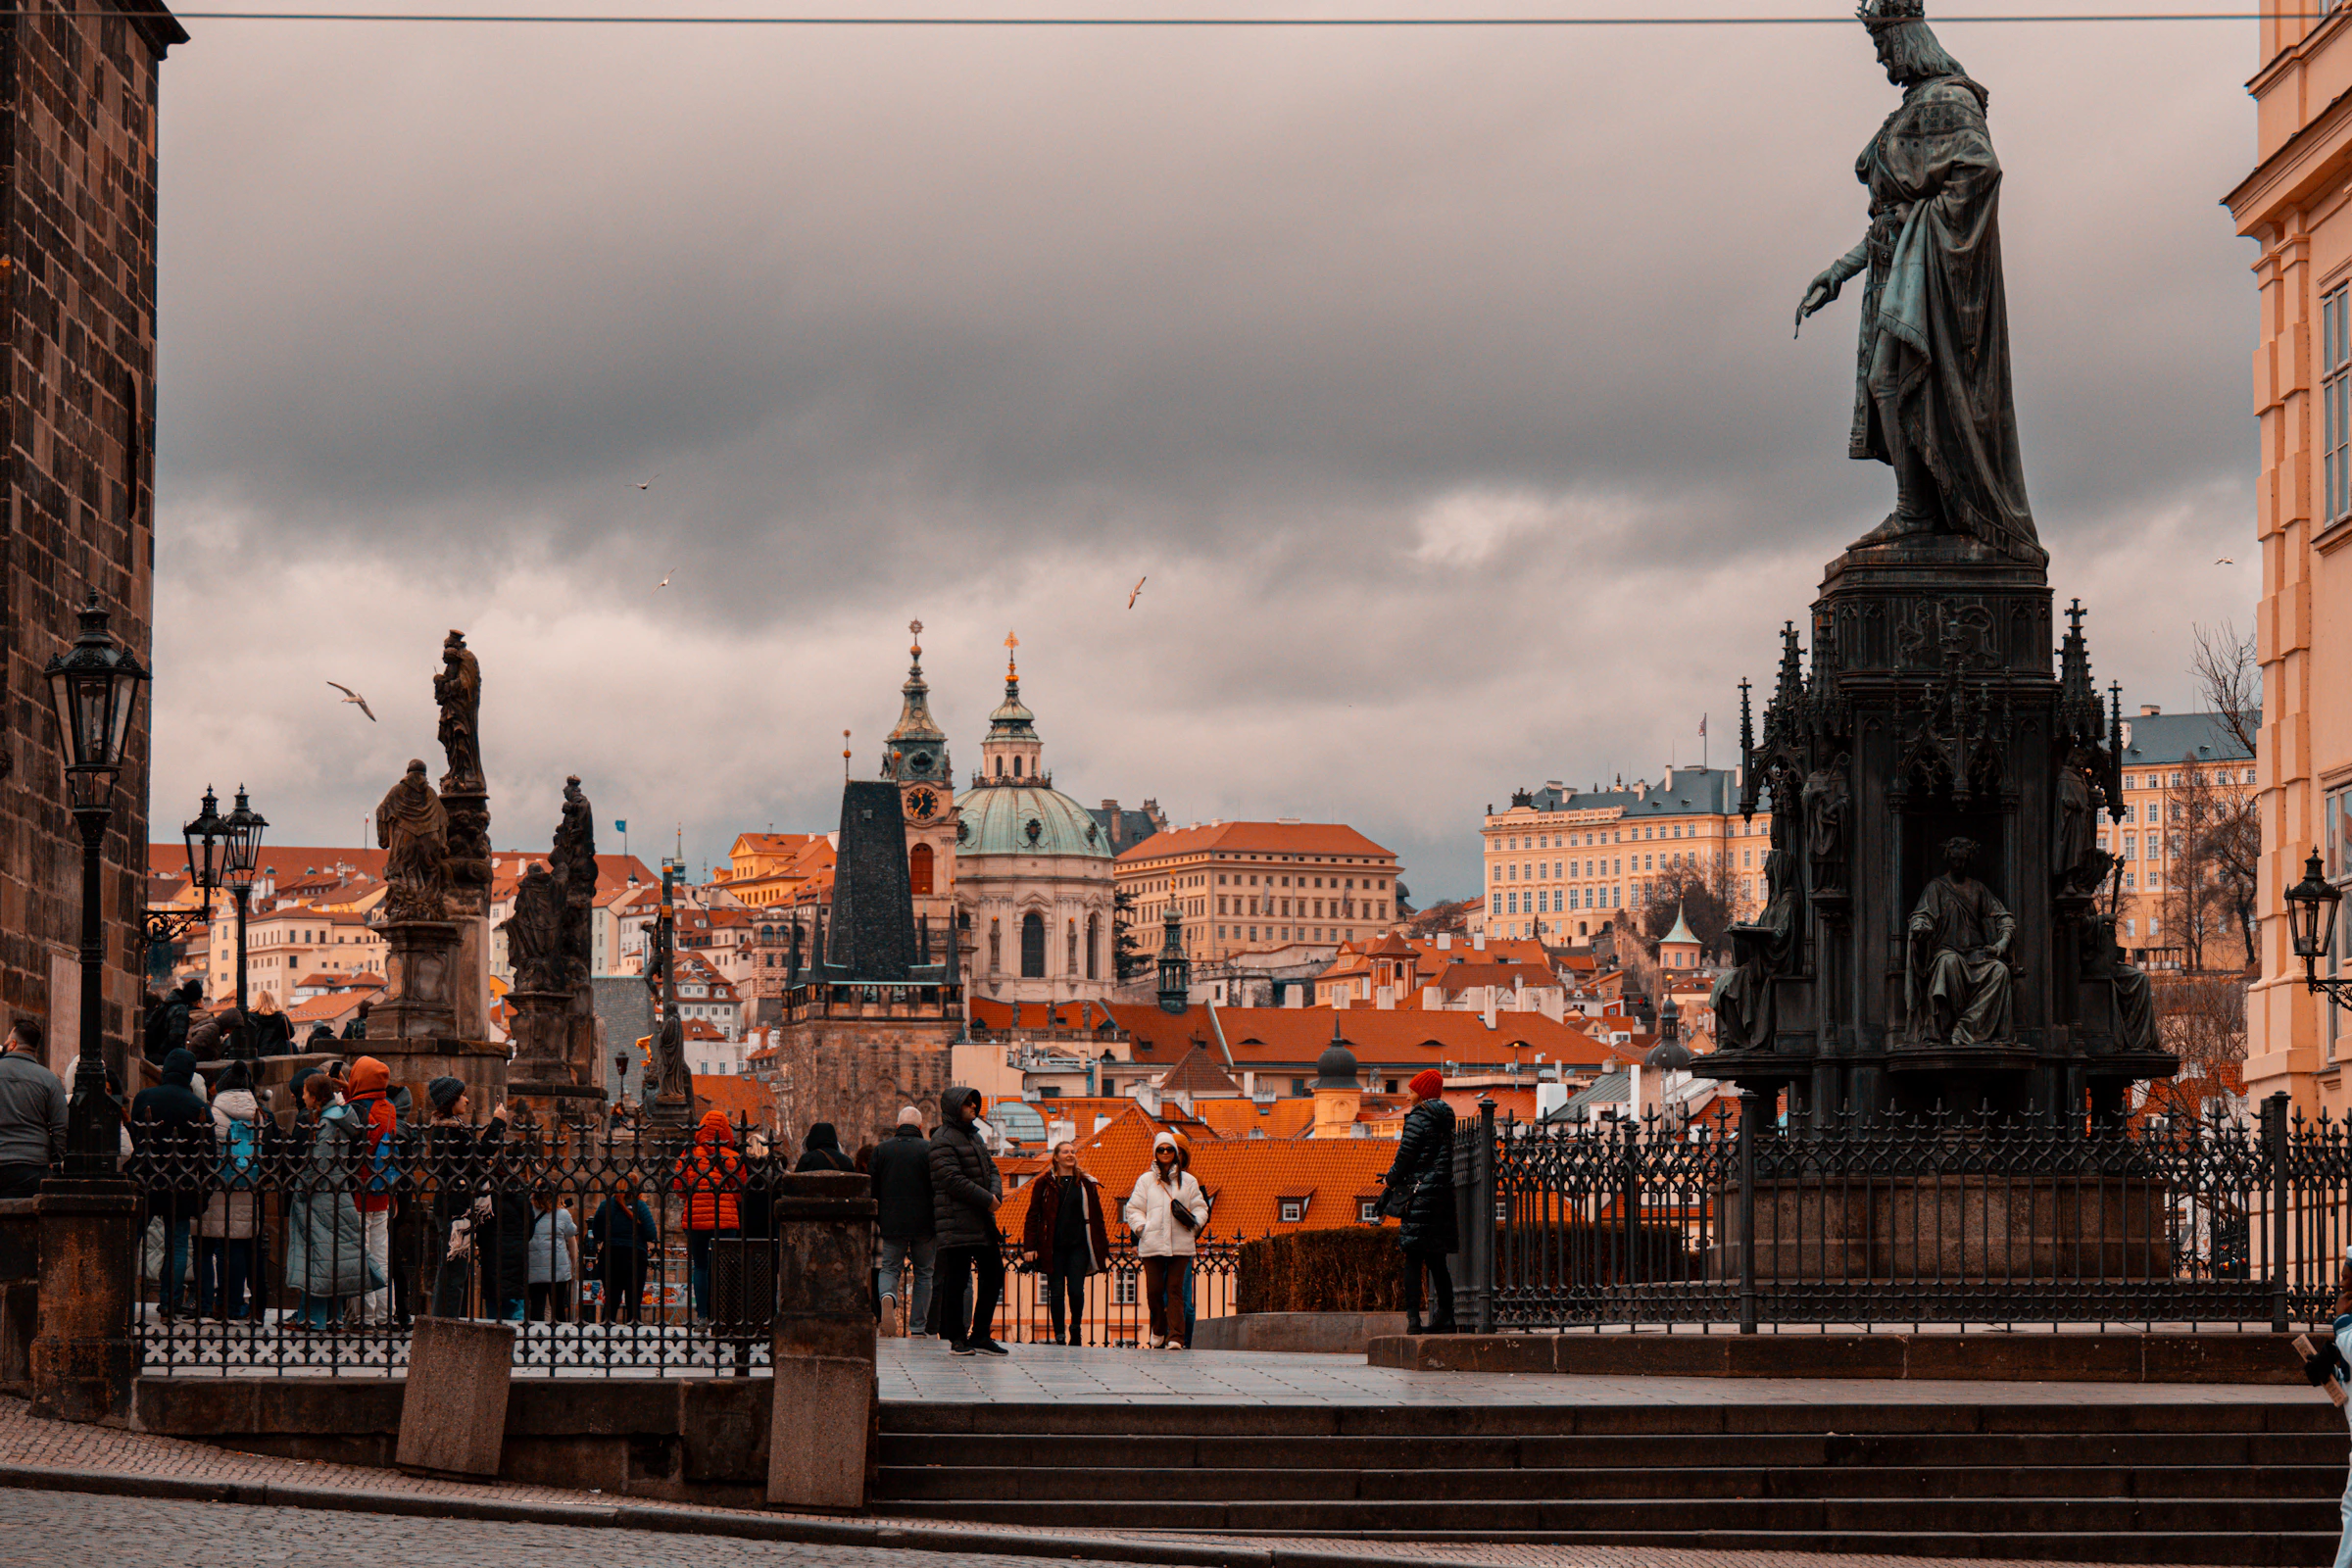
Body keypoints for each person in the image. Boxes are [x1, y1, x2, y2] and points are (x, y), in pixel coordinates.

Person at [286, 1071, 380, 1329]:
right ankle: (334, 1317)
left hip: (322, 1198)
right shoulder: (338, 1118)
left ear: (315, 1097)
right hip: (337, 1194)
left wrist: (301, 1187)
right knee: (332, 1258)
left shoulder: (327, 1124)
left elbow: (319, 1165)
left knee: (319, 1258)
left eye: (305, 1092)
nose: (302, 1096)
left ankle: (315, 1320)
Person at [130, 1047, 214, 1319]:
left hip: (147, 1179)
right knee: (177, 1244)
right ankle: (170, 1302)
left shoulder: (144, 1097)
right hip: (182, 1183)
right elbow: (209, 1153)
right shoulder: (198, 1107)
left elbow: (135, 1138)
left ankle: (122, 1296)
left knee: (133, 1239)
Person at [929, 1086, 1005, 1355]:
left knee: (995, 1274)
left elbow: (992, 1168)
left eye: (975, 1103)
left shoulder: (975, 1137)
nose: (974, 1107)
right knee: (956, 1280)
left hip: (981, 1219)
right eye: (968, 1104)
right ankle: (956, 1338)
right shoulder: (942, 1139)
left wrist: (995, 1194)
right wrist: (987, 1198)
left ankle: (981, 1334)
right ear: (954, 1108)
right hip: (956, 1220)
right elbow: (951, 1180)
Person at [1382, 1068, 1458, 1336]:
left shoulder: (1418, 1119)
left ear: (1421, 1093)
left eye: (1412, 1090)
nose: (1407, 1094)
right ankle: (1446, 1317)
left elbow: (1405, 1156)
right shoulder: (1446, 1118)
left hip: (1419, 1195)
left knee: (1412, 1258)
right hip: (1442, 1196)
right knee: (1438, 1260)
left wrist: (1390, 1180)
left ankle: (1413, 1320)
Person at [1124, 1131, 1209, 1350]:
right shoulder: (1145, 1180)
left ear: (1176, 1154)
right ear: (1155, 1152)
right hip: (1152, 1243)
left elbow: (1201, 1207)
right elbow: (1133, 1208)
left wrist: (1195, 1226)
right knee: (1154, 1291)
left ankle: (1176, 1338)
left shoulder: (1189, 1180)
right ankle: (1159, 1328)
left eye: (1169, 1149)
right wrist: (1142, 1228)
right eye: (1161, 1149)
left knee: (1175, 1290)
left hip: (1180, 1243)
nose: (1165, 1153)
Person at [1020, 1140, 1109, 1347]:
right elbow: (1033, 1216)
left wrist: (1101, 1245)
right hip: (1053, 1246)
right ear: (1056, 1157)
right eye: (1066, 1152)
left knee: (1077, 1290)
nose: (1071, 1155)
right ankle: (1059, 1333)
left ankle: (1075, 1328)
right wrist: (1029, 1247)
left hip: (1079, 1245)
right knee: (1057, 1291)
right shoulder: (1044, 1183)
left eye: (1073, 1151)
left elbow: (1097, 1217)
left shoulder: (1086, 1183)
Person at [196, 1059, 264, 1320]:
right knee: (236, 1248)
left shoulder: (214, 1114)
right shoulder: (258, 1114)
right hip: (247, 1184)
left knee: (211, 1246)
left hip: (218, 1185)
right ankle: (234, 1305)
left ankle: (215, 1303)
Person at [342, 1056, 399, 1323]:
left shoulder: (354, 1109)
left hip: (358, 1193)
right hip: (382, 1192)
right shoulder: (389, 1107)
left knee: (360, 1256)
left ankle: (364, 1315)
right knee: (381, 1258)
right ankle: (386, 1313)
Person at [870, 1105, 936, 1338]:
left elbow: (873, 1188)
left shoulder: (882, 1150)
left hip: (892, 1221)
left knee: (889, 1268)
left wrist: (881, 1218)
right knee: (924, 1273)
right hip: (925, 1223)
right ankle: (918, 1326)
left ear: (897, 1126)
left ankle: (888, 1297)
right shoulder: (930, 1150)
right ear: (920, 1127)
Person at [672, 1109, 743, 1323]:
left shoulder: (689, 1155)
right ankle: (722, 1314)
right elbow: (740, 1192)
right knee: (724, 1266)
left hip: (697, 1220)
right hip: (725, 1220)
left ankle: (702, 1315)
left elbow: (679, 1189)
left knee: (700, 1266)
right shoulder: (733, 1157)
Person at [0, 1019, 65, 1200]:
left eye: (7, 1039)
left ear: (13, 1044)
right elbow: (61, 1127)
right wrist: (56, 1161)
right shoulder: (49, 1080)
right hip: (32, 1164)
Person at [587, 1175, 656, 1325]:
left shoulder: (606, 1205)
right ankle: (634, 1337)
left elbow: (597, 1232)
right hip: (635, 1257)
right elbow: (652, 1234)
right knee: (634, 1300)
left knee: (611, 1299)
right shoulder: (640, 1207)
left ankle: (607, 1335)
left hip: (612, 1255)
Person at [526, 1190, 578, 1322]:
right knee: (558, 1306)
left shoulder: (529, 1212)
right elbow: (572, 1231)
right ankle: (560, 1337)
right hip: (558, 1268)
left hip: (535, 1266)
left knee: (537, 1306)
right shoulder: (562, 1214)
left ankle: (535, 1337)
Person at [142, 980, 201, 1066]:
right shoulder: (180, 1010)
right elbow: (176, 1038)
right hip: (165, 1058)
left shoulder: (167, 1004)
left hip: (153, 1054)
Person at [250, 992, 294, 1057]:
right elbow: (290, 1035)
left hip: (259, 1054)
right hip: (279, 1055)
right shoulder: (281, 1017)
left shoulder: (252, 1017)